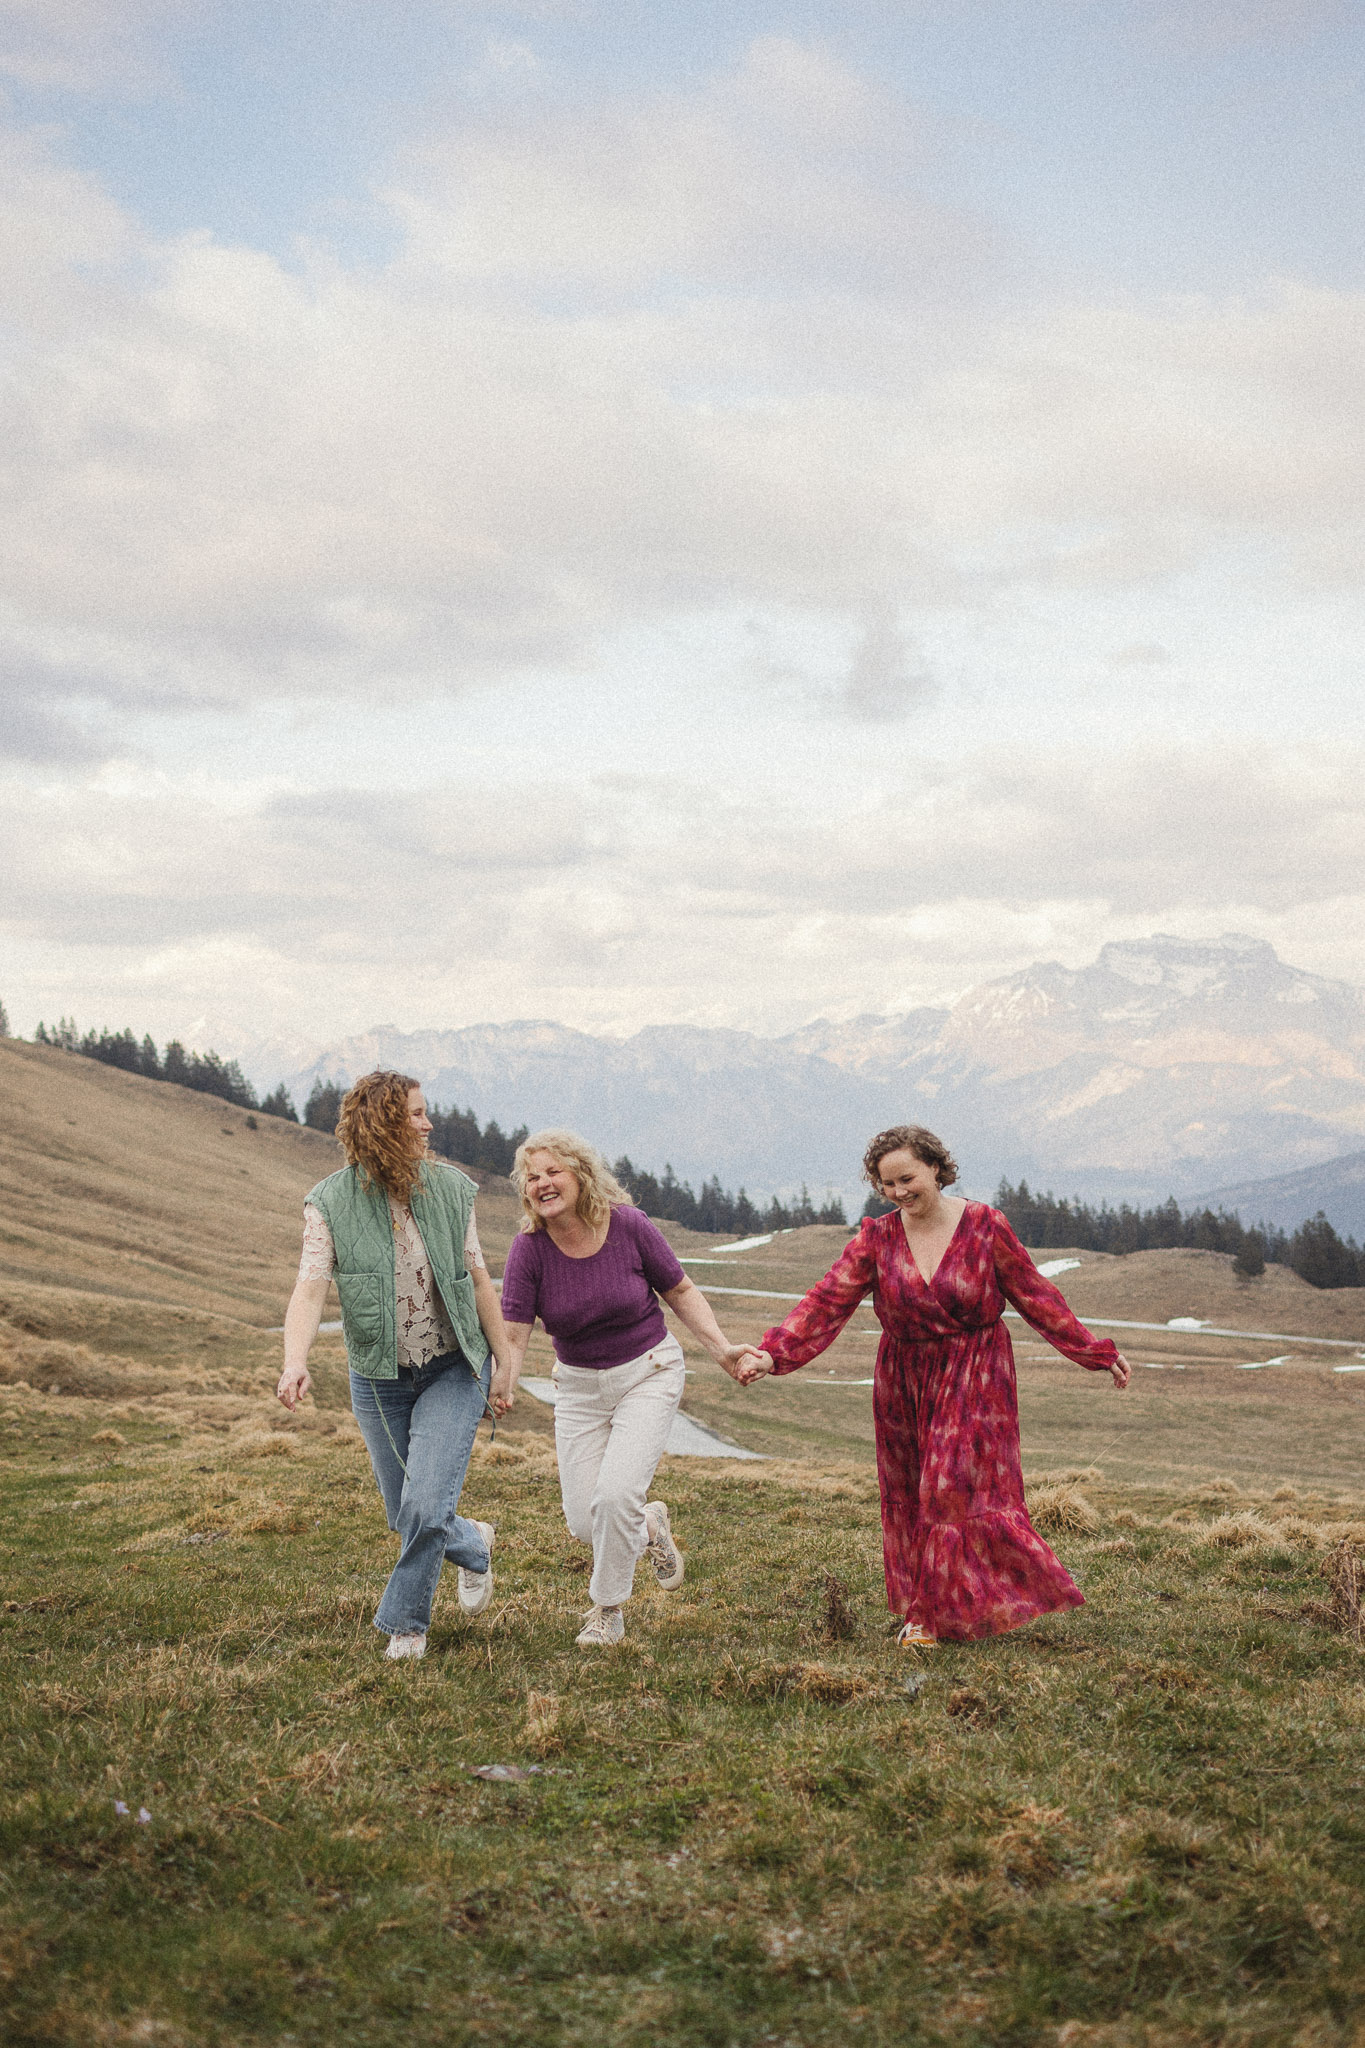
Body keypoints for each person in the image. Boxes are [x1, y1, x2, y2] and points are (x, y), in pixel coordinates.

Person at [737, 1125, 1130, 1647]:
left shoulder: (986, 1226)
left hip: (976, 1369)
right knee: (914, 1492)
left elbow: (1036, 1295)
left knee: (947, 1488)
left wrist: (1093, 1352)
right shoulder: (876, 1239)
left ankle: (928, 1618)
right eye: (888, 1184)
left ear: (936, 1170)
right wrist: (774, 1352)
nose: (900, 1192)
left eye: (908, 1178)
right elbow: (827, 1302)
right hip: (903, 1377)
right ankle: (957, 1603)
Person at [276, 1070, 516, 1660]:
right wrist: (294, 1360)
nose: (428, 1123)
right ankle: (475, 1544)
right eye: (415, 1114)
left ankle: (406, 1628)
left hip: (455, 1368)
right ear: (382, 1124)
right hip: (379, 1380)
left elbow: (479, 1279)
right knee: (405, 1513)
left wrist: (505, 1357)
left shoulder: (454, 1190)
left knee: (425, 1508)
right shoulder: (328, 1203)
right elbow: (309, 1291)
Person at [499, 1130, 762, 1648]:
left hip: (648, 1371)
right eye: (532, 1177)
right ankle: (649, 1526)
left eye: (553, 1172)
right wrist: (502, 1385)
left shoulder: (629, 1226)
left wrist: (722, 1349)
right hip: (577, 1389)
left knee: (615, 1495)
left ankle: (607, 1609)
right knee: (585, 1522)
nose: (543, 1184)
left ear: (581, 1174)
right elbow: (513, 1332)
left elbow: (680, 1290)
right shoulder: (528, 1251)